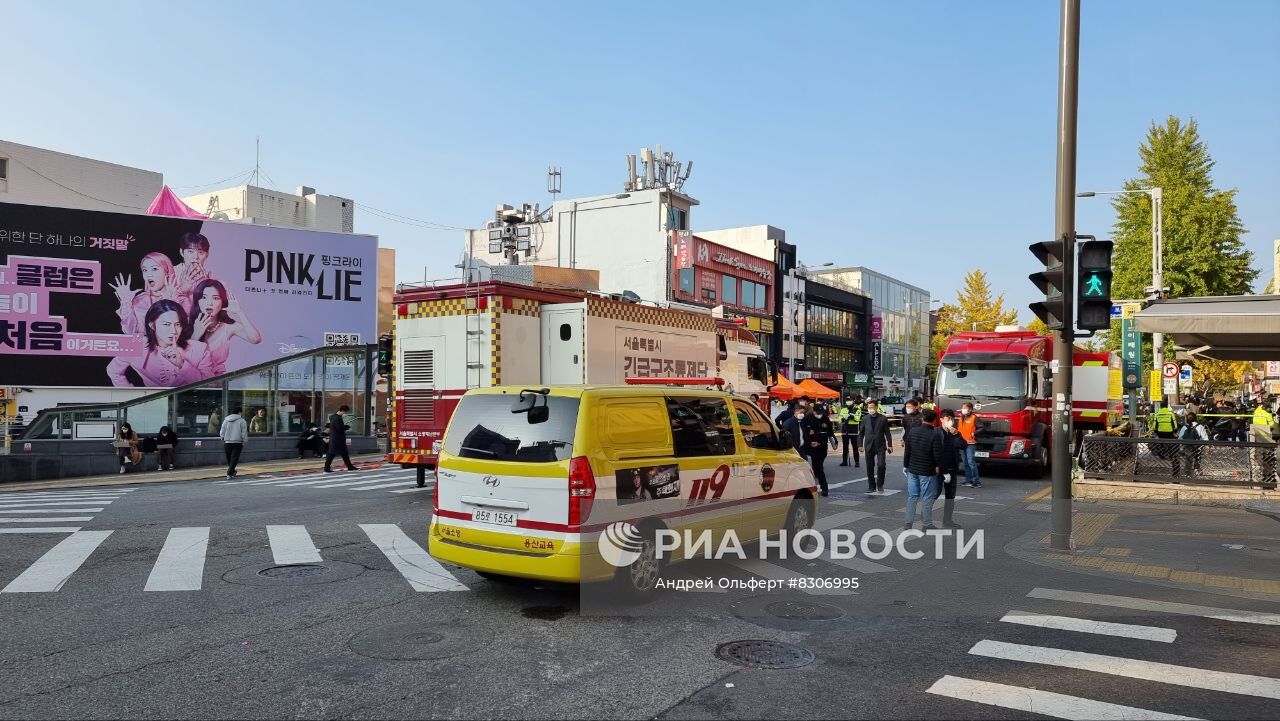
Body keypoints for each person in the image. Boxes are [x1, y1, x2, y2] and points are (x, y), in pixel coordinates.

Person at [106, 299, 214, 387]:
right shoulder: (136, 344)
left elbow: (212, 385)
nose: (173, 331)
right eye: (166, 324)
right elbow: (113, 370)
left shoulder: (200, 349)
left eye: (177, 324)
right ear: (152, 325)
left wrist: (182, 365)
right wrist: (133, 396)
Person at [189, 278, 263, 376]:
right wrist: (195, 335)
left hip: (216, 382)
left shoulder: (227, 327)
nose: (209, 303)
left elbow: (255, 339)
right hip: (190, 381)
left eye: (215, 298)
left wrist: (240, 312)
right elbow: (181, 360)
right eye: (204, 297)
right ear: (197, 300)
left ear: (222, 302)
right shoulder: (186, 322)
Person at [110, 251, 186, 336]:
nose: (149, 274)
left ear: (167, 272)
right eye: (145, 270)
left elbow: (181, 333)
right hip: (143, 348)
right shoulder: (139, 300)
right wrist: (126, 303)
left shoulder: (181, 299)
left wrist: (169, 300)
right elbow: (131, 332)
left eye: (154, 269)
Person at [902, 409, 942, 530]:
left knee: (912, 496)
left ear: (922, 418)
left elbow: (907, 450)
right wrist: (941, 468)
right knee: (927, 497)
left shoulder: (913, 431)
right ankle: (927, 524)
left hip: (912, 469)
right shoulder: (935, 434)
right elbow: (937, 455)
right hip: (927, 470)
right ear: (934, 420)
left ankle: (908, 523)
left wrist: (906, 465)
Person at [932, 409, 965, 528]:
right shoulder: (935, 432)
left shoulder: (955, 433)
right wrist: (934, 465)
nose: (950, 421)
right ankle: (926, 519)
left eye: (952, 419)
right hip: (939, 469)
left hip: (952, 468)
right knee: (935, 492)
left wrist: (957, 435)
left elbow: (963, 446)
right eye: (948, 419)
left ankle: (947, 520)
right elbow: (931, 451)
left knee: (950, 496)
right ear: (941, 420)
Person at [861, 399, 893, 495]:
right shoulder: (865, 418)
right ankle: (871, 486)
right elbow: (861, 433)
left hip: (880, 446)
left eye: (872, 407)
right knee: (870, 467)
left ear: (876, 407)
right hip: (869, 446)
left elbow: (887, 433)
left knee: (881, 465)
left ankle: (880, 484)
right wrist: (859, 445)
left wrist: (890, 445)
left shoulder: (883, 418)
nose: (870, 409)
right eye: (869, 407)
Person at [802, 403, 835, 496]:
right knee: (819, 467)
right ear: (814, 411)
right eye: (818, 412)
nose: (820, 414)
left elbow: (830, 432)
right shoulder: (807, 418)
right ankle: (824, 487)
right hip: (813, 446)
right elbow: (803, 431)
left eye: (821, 412)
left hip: (823, 445)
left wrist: (834, 442)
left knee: (817, 467)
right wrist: (809, 433)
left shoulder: (825, 418)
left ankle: (814, 484)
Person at [174, 231, 212, 298]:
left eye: (200, 252)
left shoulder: (210, 279)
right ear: (181, 252)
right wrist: (181, 290)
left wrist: (205, 284)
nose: (195, 257)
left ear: (207, 255)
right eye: (190, 252)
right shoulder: (171, 273)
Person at [1173, 412, 1207, 478]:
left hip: (1186, 446)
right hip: (1197, 446)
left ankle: (1187, 473)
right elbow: (1205, 438)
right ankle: (1196, 470)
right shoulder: (1200, 426)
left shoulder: (1184, 427)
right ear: (1196, 418)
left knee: (1188, 459)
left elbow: (1180, 438)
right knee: (1197, 457)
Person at [325, 405, 358, 472]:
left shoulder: (332, 417)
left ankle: (349, 466)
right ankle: (327, 468)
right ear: (342, 411)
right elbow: (339, 428)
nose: (345, 414)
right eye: (345, 412)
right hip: (338, 439)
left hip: (334, 438)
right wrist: (347, 427)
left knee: (342, 453)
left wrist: (344, 426)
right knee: (333, 454)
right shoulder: (338, 418)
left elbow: (337, 427)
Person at [957, 402, 982, 488]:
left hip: (970, 442)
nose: (962, 409)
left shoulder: (974, 418)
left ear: (970, 409)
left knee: (971, 462)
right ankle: (968, 480)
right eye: (962, 407)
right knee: (965, 463)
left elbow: (982, 428)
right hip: (962, 442)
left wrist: (973, 433)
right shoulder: (961, 418)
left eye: (965, 408)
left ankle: (976, 481)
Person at [219, 407, 248, 479]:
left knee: (229, 458)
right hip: (237, 442)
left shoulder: (226, 420)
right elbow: (244, 432)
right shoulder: (242, 421)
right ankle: (229, 473)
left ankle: (232, 472)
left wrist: (222, 437)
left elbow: (222, 429)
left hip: (227, 442)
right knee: (234, 458)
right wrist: (244, 440)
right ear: (239, 412)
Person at [838, 397, 861, 468]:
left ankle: (857, 462)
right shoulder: (843, 409)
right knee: (845, 447)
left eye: (850, 401)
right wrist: (843, 418)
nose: (848, 402)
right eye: (847, 401)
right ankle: (844, 461)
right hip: (845, 430)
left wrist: (852, 416)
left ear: (853, 401)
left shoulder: (857, 409)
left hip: (853, 430)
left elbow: (858, 419)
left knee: (855, 447)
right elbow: (839, 420)